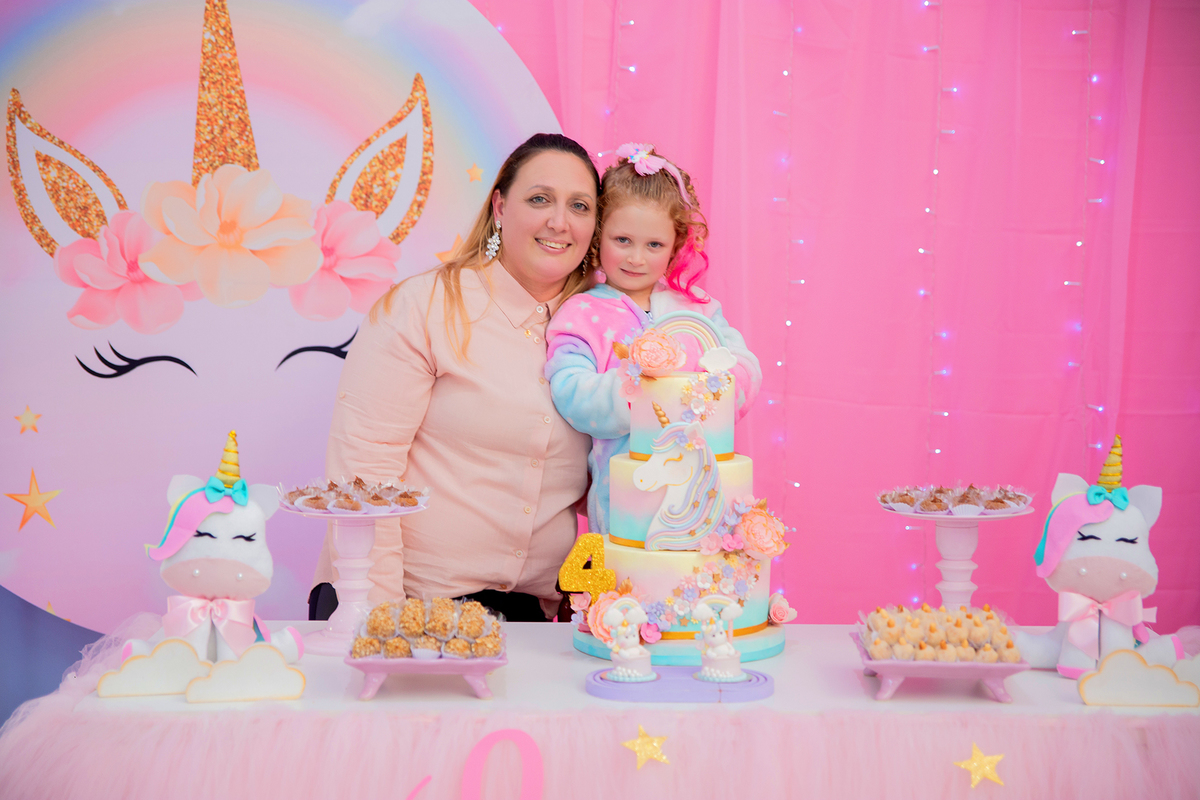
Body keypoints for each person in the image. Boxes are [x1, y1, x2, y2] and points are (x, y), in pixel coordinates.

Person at [311, 133, 599, 622]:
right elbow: (364, 469)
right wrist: (377, 616)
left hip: (532, 617)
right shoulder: (424, 307)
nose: (559, 221)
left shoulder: (604, 333)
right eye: (539, 199)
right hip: (405, 605)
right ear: (500, 206)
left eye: (580, 206)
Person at [545, 143, 761, 535]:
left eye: (654, 245)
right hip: (624, 509)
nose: (636, 258)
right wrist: (640, 391)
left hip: (703, 500)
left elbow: (743, 369)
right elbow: (569, 390)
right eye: (622, 240)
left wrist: (702, 391)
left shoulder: (700, 309)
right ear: (598, 235)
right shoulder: (581, 314)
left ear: (675, 246)